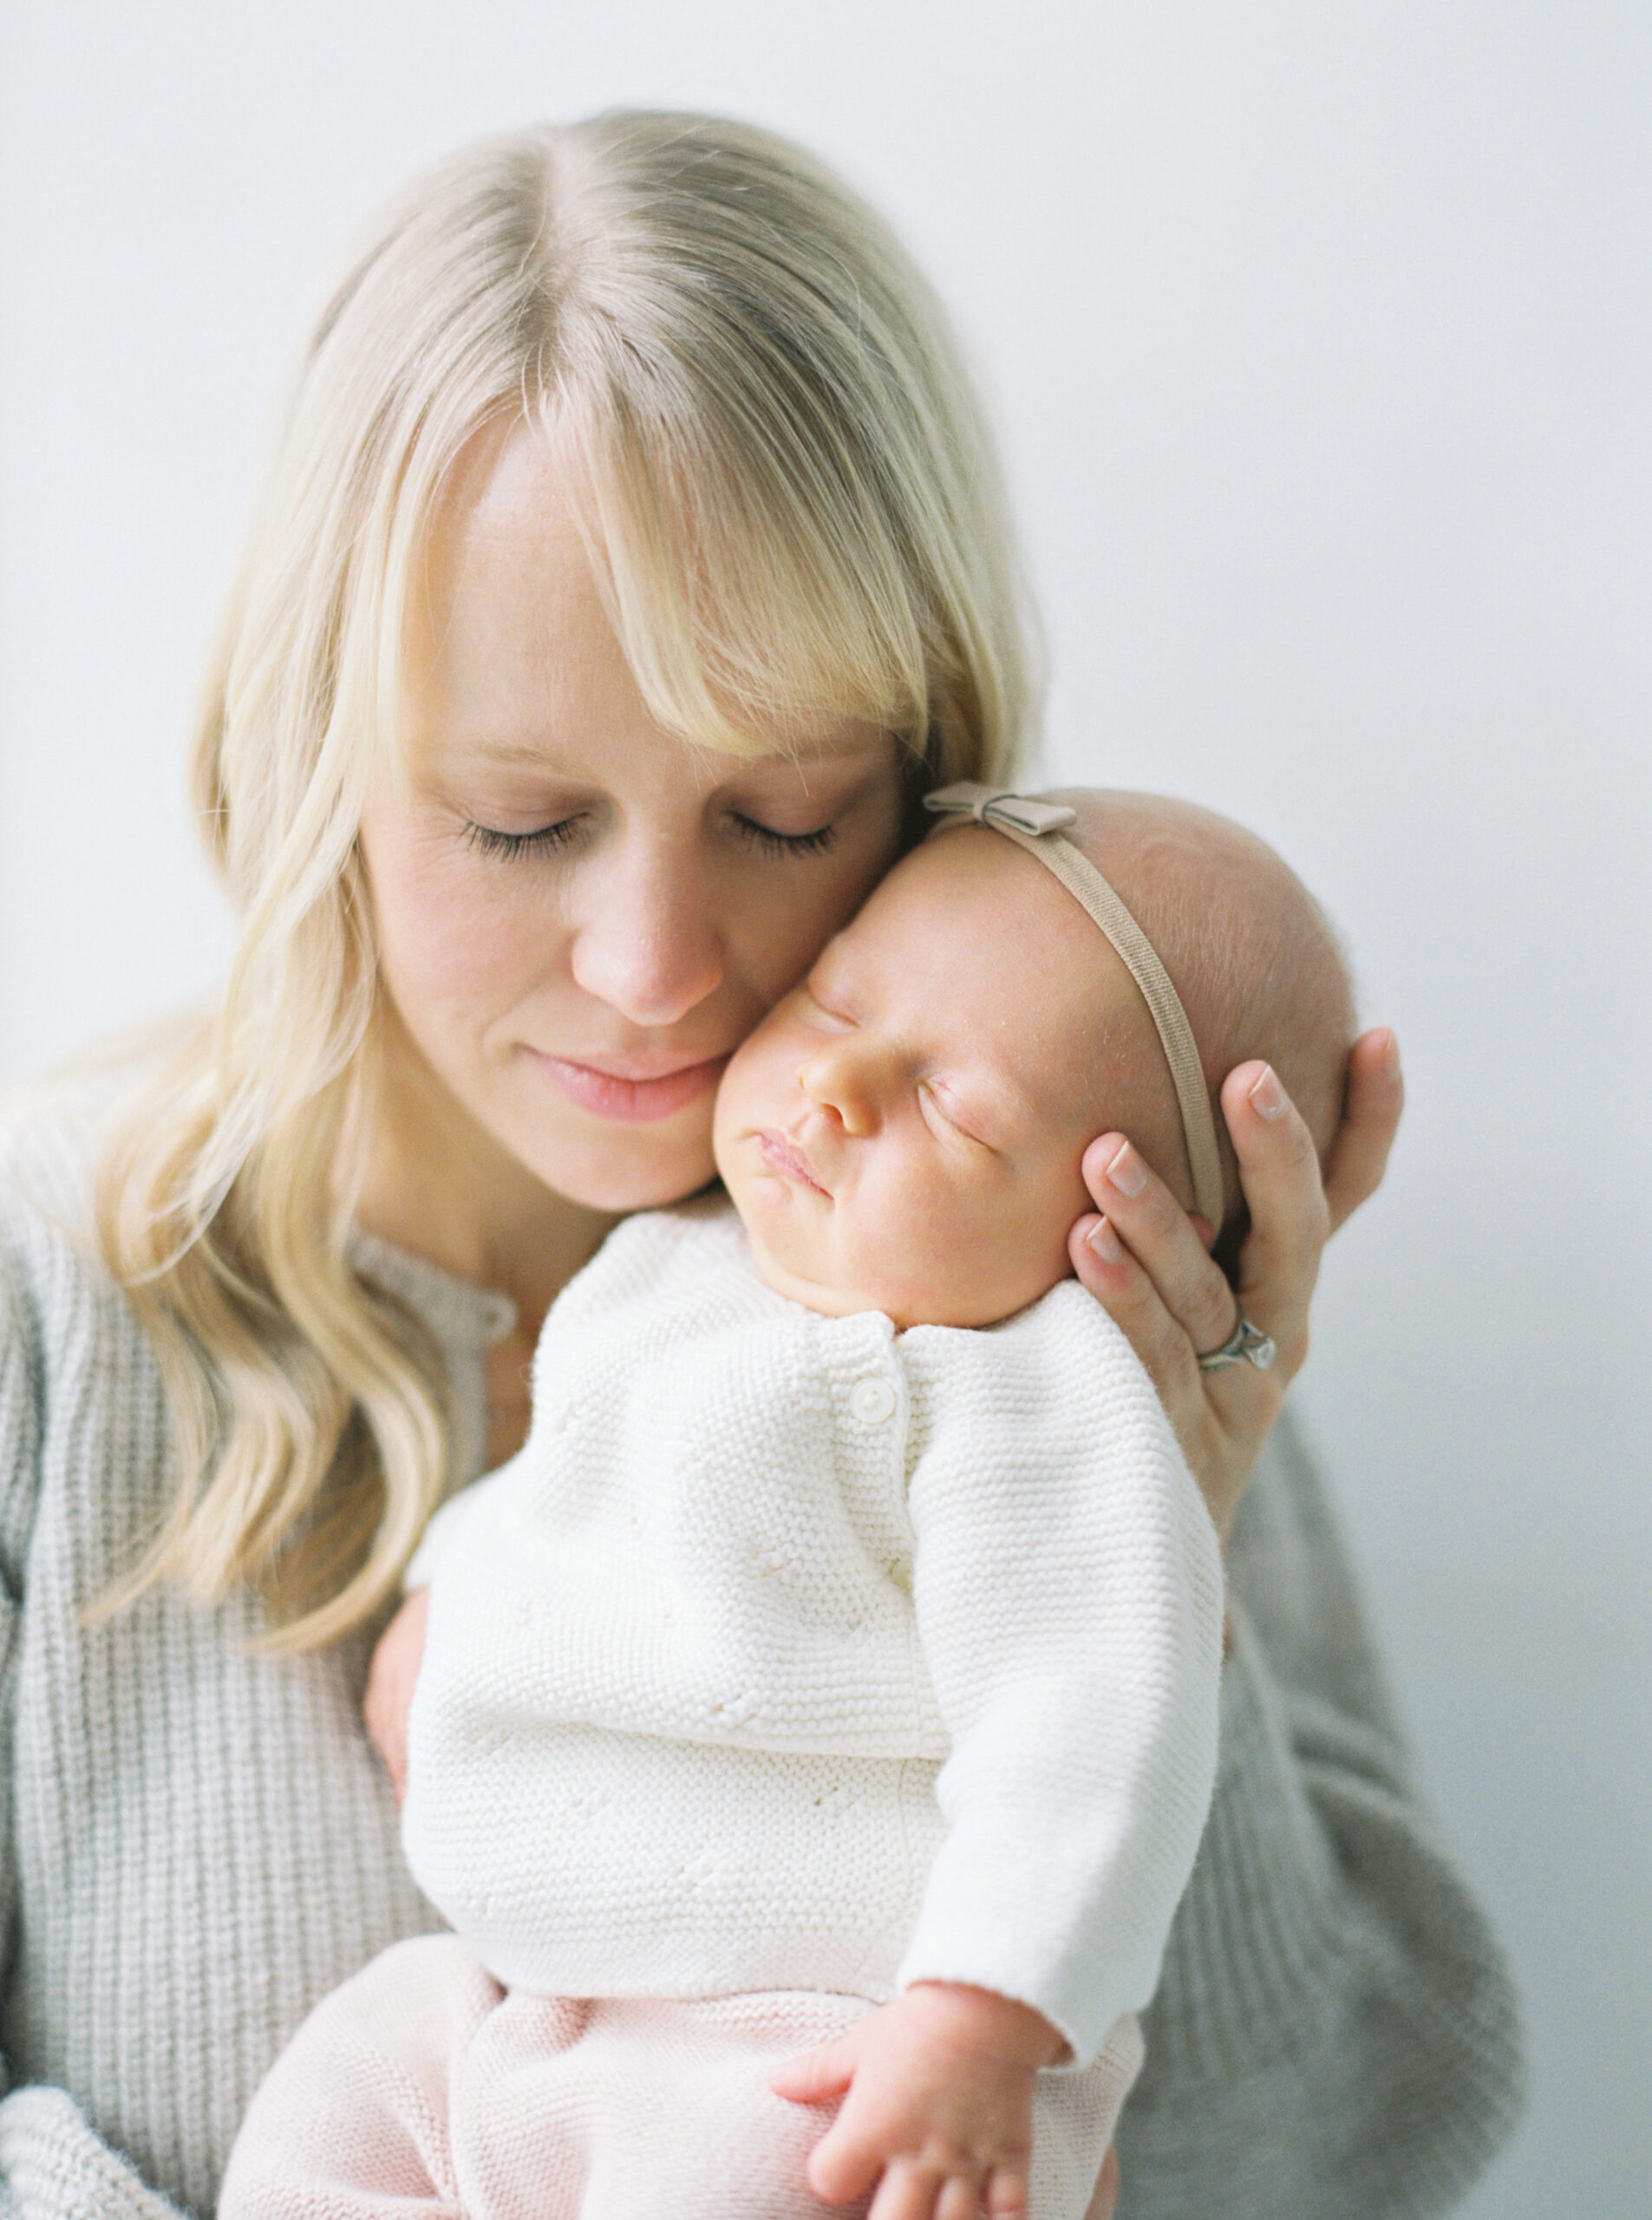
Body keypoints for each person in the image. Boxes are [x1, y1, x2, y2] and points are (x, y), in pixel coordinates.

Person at [0, 112, 1519, 2220]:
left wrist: (1173, 1545)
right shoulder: (50, 1305)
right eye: (519, 825)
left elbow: (1343, 2157)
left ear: (944, 774)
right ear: (312, 764)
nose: (652, 972)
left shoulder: (1059, 1279)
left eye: (788, 814)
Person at [219, 785, 1358, 2220]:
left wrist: (982, 2014)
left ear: (1118, 1227)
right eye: (833, 1000)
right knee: (343, 2099)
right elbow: (575, 1477)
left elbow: (1092, 1717)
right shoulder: (684, 1260)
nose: (838, 1086)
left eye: (952, 1103)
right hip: (531, 2003)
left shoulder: (1033, 1398)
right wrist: (453, 1597)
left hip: (825, 2054)